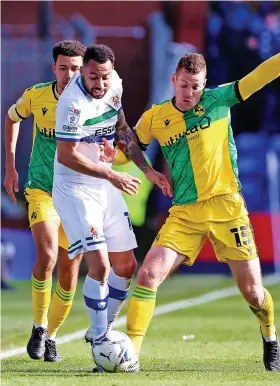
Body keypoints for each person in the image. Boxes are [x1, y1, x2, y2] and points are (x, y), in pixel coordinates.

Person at [126, 52, 280, 371]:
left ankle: (270, 336)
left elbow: (261, 75)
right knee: (147, 274)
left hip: (228, 209)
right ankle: (130, 355)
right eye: (184, 85)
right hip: (185, 213)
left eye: (195, 87)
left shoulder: (218, 99)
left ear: (204, 84)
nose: (189, 93)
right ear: (174, 80)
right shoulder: (155, 117)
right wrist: (107, 155)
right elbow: (129, 150)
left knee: (252, 292)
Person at [52, 44, 172, 371]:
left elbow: (122, 130)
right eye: (93, 76)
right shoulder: (72, 103)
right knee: (101, 267)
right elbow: (66, 155)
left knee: (127, 267)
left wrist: (148, 170)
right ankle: (102, 337)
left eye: (105, 76)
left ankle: (98, 331)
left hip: (105, 183)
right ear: (82, 72)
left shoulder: (114, 84)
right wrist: (111, 174)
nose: (100, 84)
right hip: (74, 187)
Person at [4, 40, 86, 362]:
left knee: (69, 271)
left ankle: (51, 336)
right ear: (54, 68)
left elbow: (110, 141)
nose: (69, 74)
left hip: (78, 197)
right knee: (49, 255)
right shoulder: (37, 95)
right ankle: (39, 325)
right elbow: (12, 118)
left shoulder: (94, 102)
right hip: (42, 190)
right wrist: (10, 166)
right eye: (63, 67)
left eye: (76, 68)